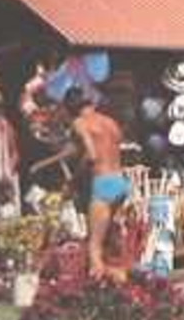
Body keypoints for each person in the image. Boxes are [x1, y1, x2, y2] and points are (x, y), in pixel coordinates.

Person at [33, 86, 132, 281]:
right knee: (110, 240)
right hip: (120, 183)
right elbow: (110, 146)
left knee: (94, 247)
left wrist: (74, 179)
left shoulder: (80, 123)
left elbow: (91, 155)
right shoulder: (110, 122)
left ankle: (96, 289)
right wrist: (45, 163)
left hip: (103, 184)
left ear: (71, 109)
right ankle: (121, 280)